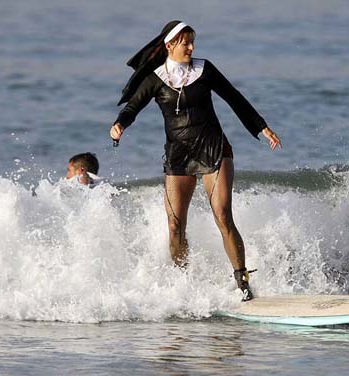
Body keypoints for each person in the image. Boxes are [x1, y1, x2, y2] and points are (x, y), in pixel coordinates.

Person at [109, 21, 281, 301]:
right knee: (175, 225)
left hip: (213, 147)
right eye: (185, 43)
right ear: (169, 46)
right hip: (178, 154)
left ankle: (243, 283)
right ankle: (183, 285)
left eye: (192, 42)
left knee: (223, 215)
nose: (191, 47)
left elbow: (235, 98)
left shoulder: (205, 69)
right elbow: (132, 107)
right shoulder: (155, 79)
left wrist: (262, 127)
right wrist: (119, 125)